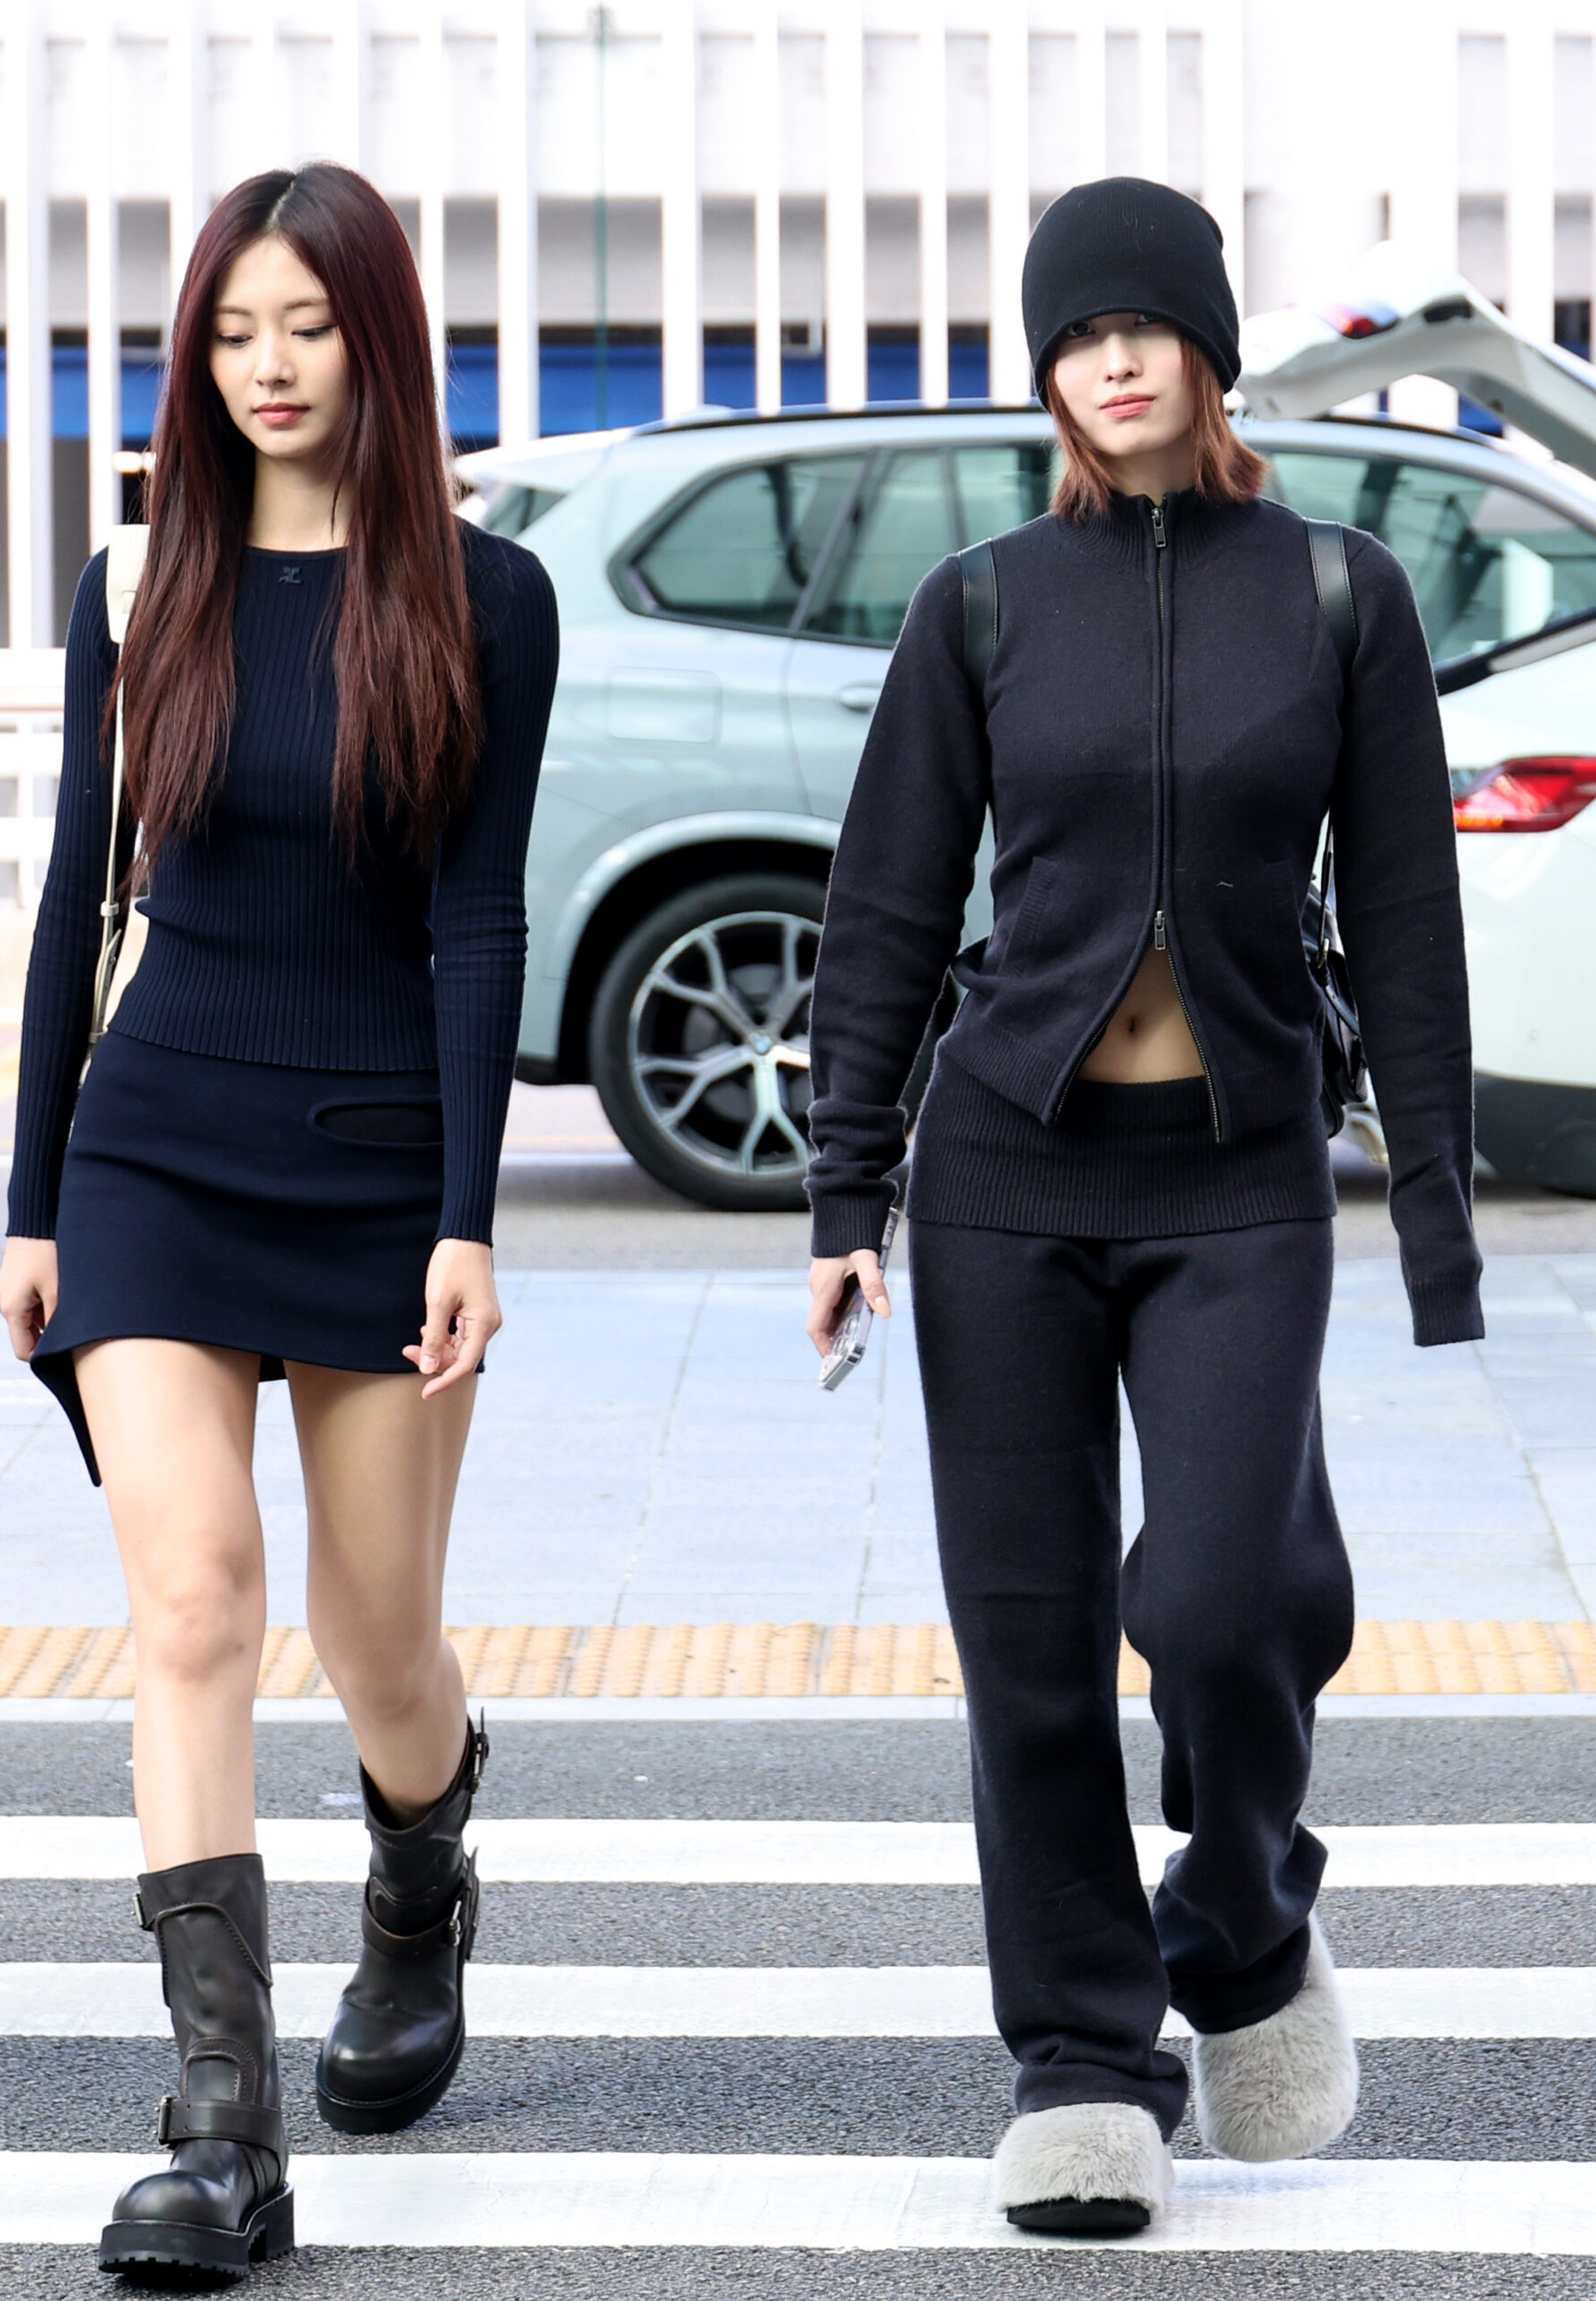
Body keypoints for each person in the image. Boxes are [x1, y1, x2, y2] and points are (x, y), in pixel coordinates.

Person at [803, 177, 1483, 2237]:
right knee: (1028, 1649)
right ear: (1048, 371)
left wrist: (1436, 1210)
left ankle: (1246, 1914)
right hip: (1004, 1182)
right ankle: (1086, 2061)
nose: (1111, 360)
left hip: (1242, 1181)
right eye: (1075, 335)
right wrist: (844, 1186)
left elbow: (1410, 916)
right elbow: (886, 905)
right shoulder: (983, 603)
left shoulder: (1343, 593)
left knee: (1217, 1600)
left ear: (1208, 349)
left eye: (1144, 325)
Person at [0, 163, 557, 2283]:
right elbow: (78, 900)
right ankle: (220, 2128)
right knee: (196, 1602)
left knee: (373, 1632)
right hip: (156, 1146)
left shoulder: (489, 599)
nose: (269, 365)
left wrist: (468, 1214)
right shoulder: (138, 582)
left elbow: (482, 918)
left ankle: (421, 1861)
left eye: (307, 325)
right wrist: (35, 1199)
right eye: (234, 331)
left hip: (380, 1159)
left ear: (379, 338)